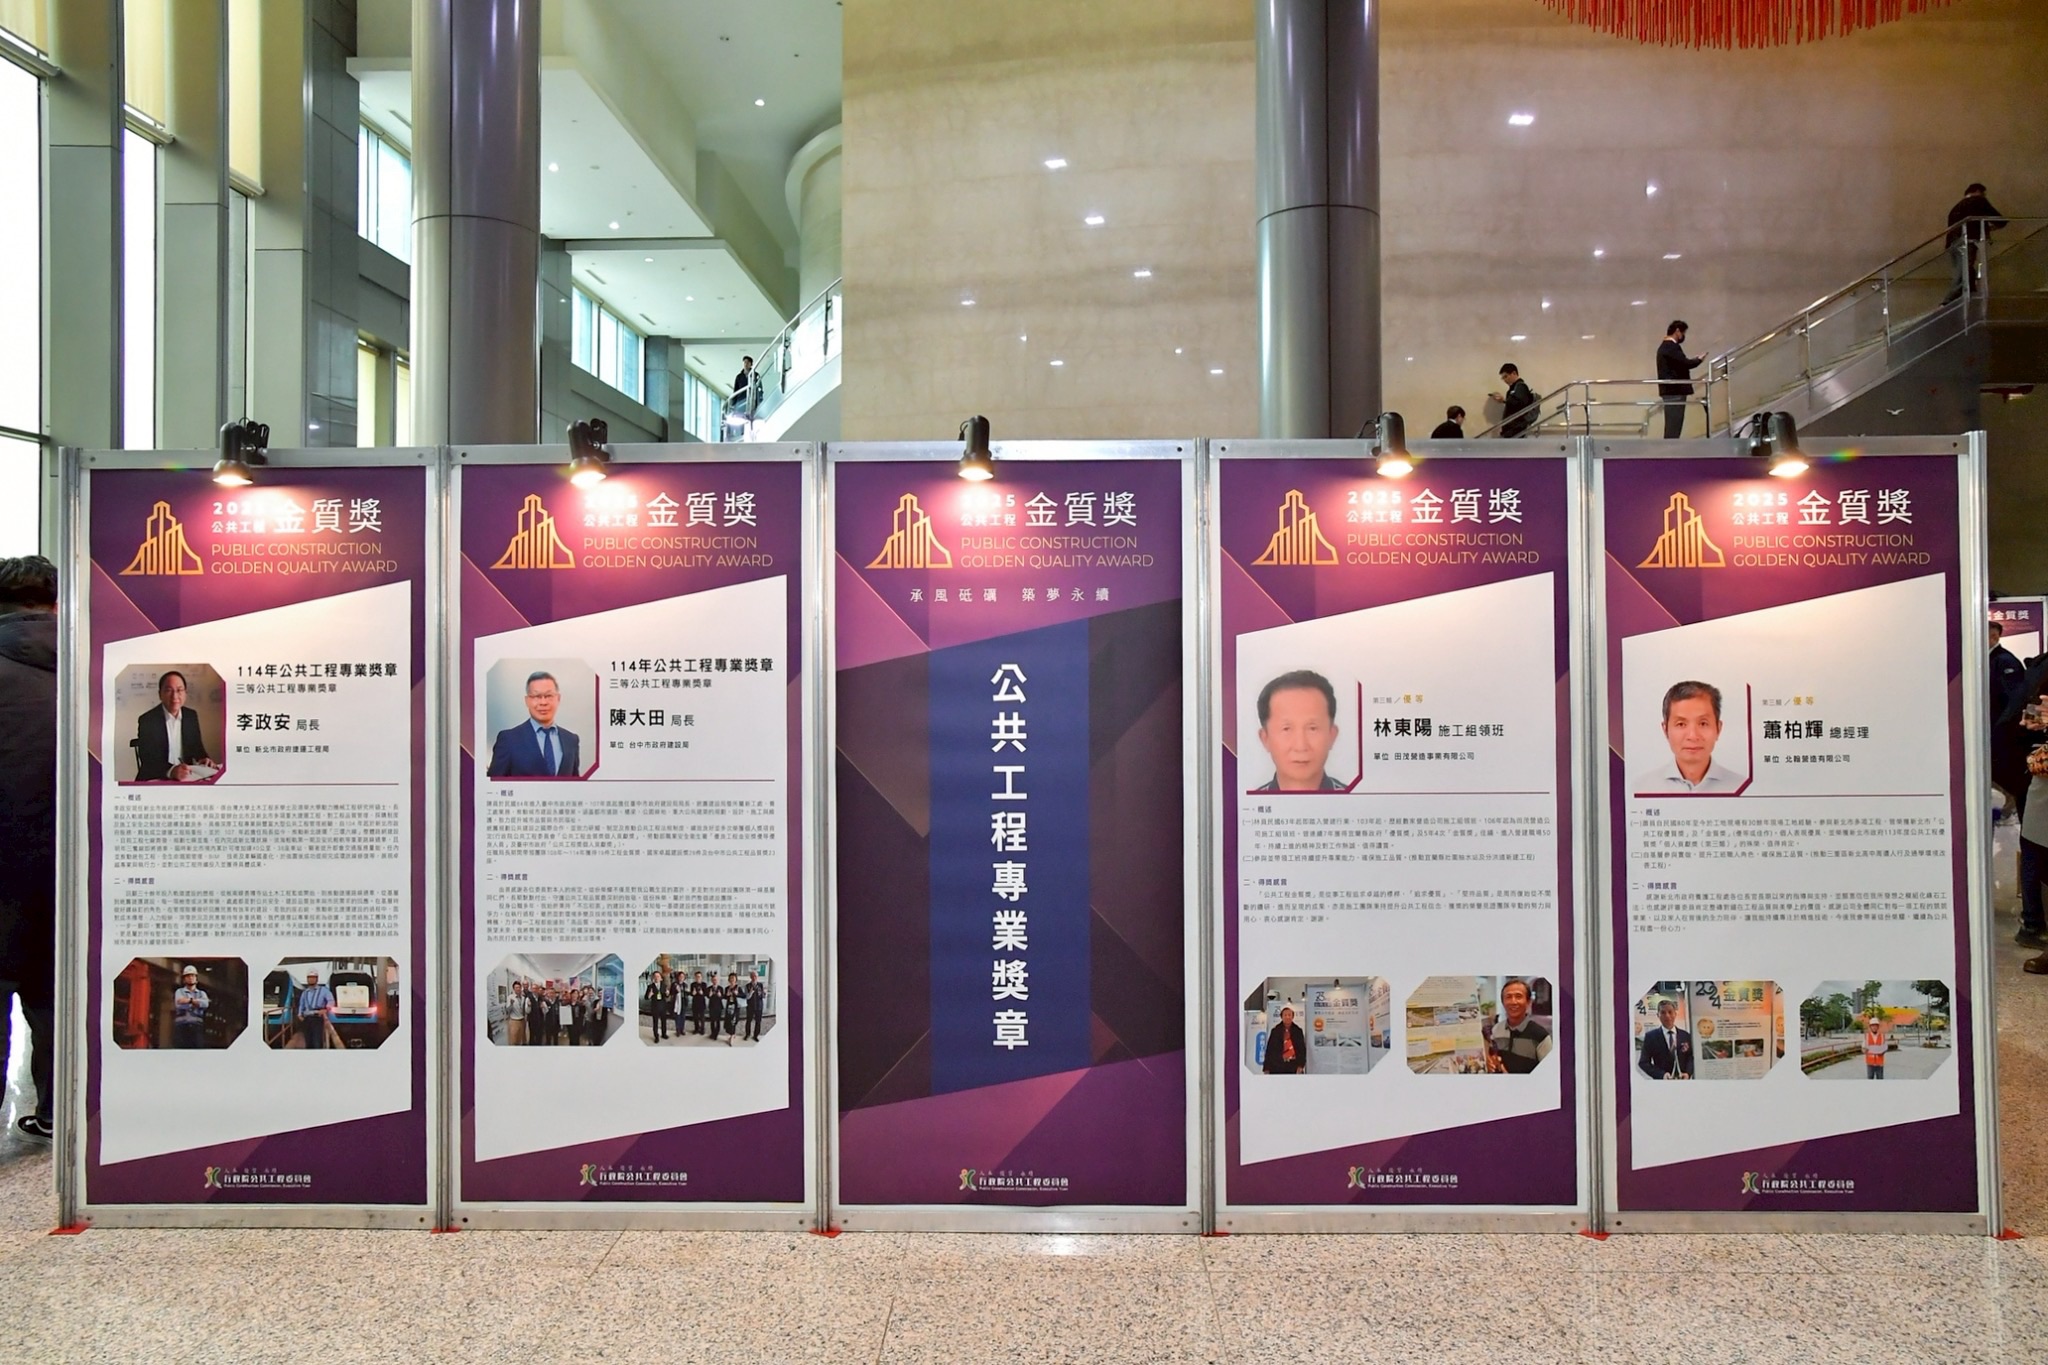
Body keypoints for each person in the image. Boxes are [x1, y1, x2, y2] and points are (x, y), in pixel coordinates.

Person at [0, 556, 57, 1137]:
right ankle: (56, 1112)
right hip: (69, 867)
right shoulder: (92, 667)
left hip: (1, 866)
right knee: (56, 994)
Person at [1252, 669, 1343, 793]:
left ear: (1332, 736)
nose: (1300, 746)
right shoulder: (1246, 803)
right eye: (1286, 729)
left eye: (1312, 728)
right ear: (1265, 738)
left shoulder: (1357, 800)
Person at [1644, 680, 1742, 793]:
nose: (1693, 736)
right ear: (1665, 730)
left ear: (1718, 729)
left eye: (1703, 723)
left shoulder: (1742, 787)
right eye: (1681, 724)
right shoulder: (1642, 787)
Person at [487, 671, 580, 778]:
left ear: (558, 699)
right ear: (527, 701)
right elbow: (494, 783)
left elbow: (575, 783)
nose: (543, 702)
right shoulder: (509, 740)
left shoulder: (571, 740)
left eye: (549, 696)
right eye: (536, 696)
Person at [134, 669, 211, 781]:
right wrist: (172, 770)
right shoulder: (148, 720)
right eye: (169, 690)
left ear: (185, 693)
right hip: (156, 778)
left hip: (185, 777)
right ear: (160, 694)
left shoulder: (191, 716)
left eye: (179, 690)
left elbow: (198, 749)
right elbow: (148, 760)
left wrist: (204, 759)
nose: (175, 696)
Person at [1944, 183, 2006, 303]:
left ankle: (1970, 293)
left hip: (1952, 243)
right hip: (1968, 240)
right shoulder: (1979, 201)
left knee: (1964, 270)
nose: (1984, 196)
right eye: (1983, 193)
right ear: (1977, 191)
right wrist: (1989, 229)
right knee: (1964, 272)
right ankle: (1947, 301)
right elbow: (1999, 220)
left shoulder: (1956, 207)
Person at [1656, 320, 1706, 439]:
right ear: (1677, 331)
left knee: (1673, 424)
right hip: (1675, 391)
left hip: (1671, 391)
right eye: (1683, 333)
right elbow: (1685, 363)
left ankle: (1670, 447)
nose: (1683, 336)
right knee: (1674, 425)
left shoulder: (1665, 347)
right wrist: (1698, 360)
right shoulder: (1671, 347)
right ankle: (1670, 449)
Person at [1490, 979, 1552, 1074]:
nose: (1513, 1002)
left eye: (1518, 996)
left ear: (1528, 1002)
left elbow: (1549, 1073)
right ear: (1503, 1002)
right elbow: (1494, 1058)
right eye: (1508, 997)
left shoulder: (1541, 1036)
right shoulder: (1496, 1030)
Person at [1637, 999, 1692, 1079]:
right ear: (1658, 1015)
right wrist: (1661, 1075)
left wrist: (1688, 1073)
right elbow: (1643, 1062)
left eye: (1670, 1012)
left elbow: (1691, 1057)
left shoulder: (1685, 1035)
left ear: (1675, 1014)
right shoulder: (1651, 1037)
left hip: (1683, 1081)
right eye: (1663, 1013)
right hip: (1662, 1082)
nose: (1667, 1016)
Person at [1490, 364, 1537, 439]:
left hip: (1516, 428)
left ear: (1514, 373)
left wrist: (1504, 400)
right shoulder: (1513, 388)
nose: (1505, 380)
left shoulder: (1521, 387)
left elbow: (1519, 404)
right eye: (1503, 378)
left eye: (1506, 376)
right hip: (1512, 428)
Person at [1991, 622, 2026, 721]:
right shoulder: (1989, 658)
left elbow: (2013, 696)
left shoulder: (2006, 660)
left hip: (2000, 718)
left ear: (1994, 636)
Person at [294, 969, 336, 1050]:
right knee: (308, 1042)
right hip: (306, 1019)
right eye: (309, 977)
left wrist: (326, 1009)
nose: (311, 979)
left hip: (317, 1018)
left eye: (313, 977)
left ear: (317, 979)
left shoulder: (324, 990)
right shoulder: (305, 992)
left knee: (317, 1042)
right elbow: (301, 1004)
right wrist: (299, 1015)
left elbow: (331, 1001)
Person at [172, 966, 210, 1048]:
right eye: (188, 976)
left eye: (192, 975)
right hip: (181, 1027)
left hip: (197, 1026)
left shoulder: (202, 993)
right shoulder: (179, 992)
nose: (190, 978)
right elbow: (179, 1004)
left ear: (196, 978)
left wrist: (189, 1000)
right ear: (184, 979)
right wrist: (196, 1002)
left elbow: (205, 1004)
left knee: (197, 1050)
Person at [1262, 1005, 1307, 1074]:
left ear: (1292, 1017)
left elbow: (1302, 1050)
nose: (1287, 1017)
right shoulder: (1275, 1031)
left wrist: (1301, 1065)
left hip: (1293, 1065)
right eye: (1285, 1015)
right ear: (1281, 1017)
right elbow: (1270, 1050)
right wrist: (1267, 1067)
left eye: (1289, 1015)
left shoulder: (1298, 1031)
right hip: (1277, 1066)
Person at [1862, 1012, 1889, 1079]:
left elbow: (1885, 1047)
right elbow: (1863, 1048)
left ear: (1878, 1026)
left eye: (1876, 1025)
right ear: (1870, 1027)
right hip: (1870, 1063)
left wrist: (1883, 1051)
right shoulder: (1867, 1036)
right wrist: (1864, 1050)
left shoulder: (1882, 1036)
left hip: (1879, 1063)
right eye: (1872, 1026)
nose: (1874, 1027)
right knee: (1870, 1079)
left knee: (1880, 1078)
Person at [645, 972, 669, 1042]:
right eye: (655, 976)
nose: (656, 978)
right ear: (653, 978)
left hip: (663, 1006)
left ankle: (664, 1034)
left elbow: (666, 996)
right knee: (655, 1022)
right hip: (655, 1007)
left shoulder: (664, 985)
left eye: (658, 976)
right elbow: (646, 997)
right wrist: (649, 995)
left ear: (661, 978)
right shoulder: (650, 986)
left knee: (664, 1021)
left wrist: (667, 994)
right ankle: (656, 1036)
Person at [732, 356, 757, 420]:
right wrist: (733, 403)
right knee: (740, 419)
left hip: (751, 401)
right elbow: (735, 390)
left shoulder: (755, 375)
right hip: (740, 401)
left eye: (748, 362)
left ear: (751, 364)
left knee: (751, 419)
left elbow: (758, 388)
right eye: (745, 362)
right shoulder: (739, 376)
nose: (746, 364)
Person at [504, 981, 529, 1046]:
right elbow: (508, 1010)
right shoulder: (510, 997)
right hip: (514, 1021)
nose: (518, 989)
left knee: (522, 1039)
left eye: (519, 987)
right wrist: (511, 1004)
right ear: (513, 989)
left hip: (522, 1020)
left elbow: (525, 1010)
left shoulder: (523, 998)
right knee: (513, 1040)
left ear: (521, 988)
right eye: (516, 987)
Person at [744, 971, 766, 1042]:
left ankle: (756, 1035)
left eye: (755, 976)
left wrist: (763, 993)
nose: (754, 977)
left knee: (758, 1021)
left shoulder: (761, 985)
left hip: (759, 1006)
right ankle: (747, 1034)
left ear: (757, 977)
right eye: (752, 976)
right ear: (750, 977)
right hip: (750, 1006)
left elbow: (763, 996)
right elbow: (746, 997)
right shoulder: (747, 986)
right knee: (748, 1021)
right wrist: (750, 992)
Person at [721, 973, 742, 1046]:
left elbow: (743, 995)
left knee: (733, 1021)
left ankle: (732, 1036)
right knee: (729, 1021)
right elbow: (724, 997)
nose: (732, 979)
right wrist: (726, 995)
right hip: (729, 1007)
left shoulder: (738, 988)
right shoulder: (727, 988)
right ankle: (732, 1034)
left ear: (736, 979)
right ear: (729, 979)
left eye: (733, 978)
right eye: (731, 978)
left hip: (735, 1007)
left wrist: (737, 994)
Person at [692, 971, 710, 1037]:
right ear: (695, 977)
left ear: (701, 977)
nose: (698, 978)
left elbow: (706, 994)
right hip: (695, 1003)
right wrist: (692, 993)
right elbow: (691, 993)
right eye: (697, 977)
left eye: (699, 976)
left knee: (702, 1017)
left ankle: (702, 1029)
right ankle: (696, 1028)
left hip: (701, 1003)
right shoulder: (693, 984)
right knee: (695, 1017)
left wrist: (702, 993)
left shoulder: (704, 984)